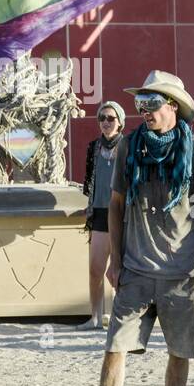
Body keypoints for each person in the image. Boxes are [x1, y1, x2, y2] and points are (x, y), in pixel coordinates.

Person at [64, 71, 194, 386]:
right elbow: (115, 204)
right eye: (140, 104)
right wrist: (115, 258)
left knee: (179, 351)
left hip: (182, 271)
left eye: (152, 103)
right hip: (135, 267)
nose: (144, 111)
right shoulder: (130, 146)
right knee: (114, 347)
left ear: (173, 106)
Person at [80, 101, 125, 330]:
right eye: (102, 118)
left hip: (120, 212)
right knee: (95, 268)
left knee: (118, 269)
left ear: (119, 122)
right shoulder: (93, 147)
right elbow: (88, 181)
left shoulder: (126, 146)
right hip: (98, 212)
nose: (106, 122)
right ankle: (95, 317)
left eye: (111, 118)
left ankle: (119, 316)